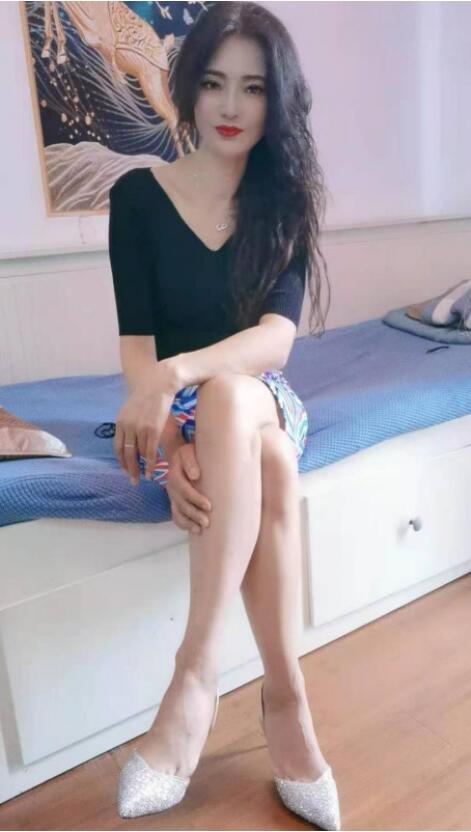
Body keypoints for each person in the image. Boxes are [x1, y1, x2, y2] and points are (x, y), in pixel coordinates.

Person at [108, 2, 339, 828]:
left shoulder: (286, 202)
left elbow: (274, 342)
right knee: (266, 461)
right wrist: (173, 438)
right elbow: (137, 347)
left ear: (278, 98)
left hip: (261, 397)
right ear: (187, 89)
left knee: (235, 394)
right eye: (213, 84)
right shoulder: (138, 198)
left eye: (253, 87)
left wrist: (181, 374)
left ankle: (194, 677)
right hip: (186, 413)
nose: (231, 106)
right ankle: (287, 697)